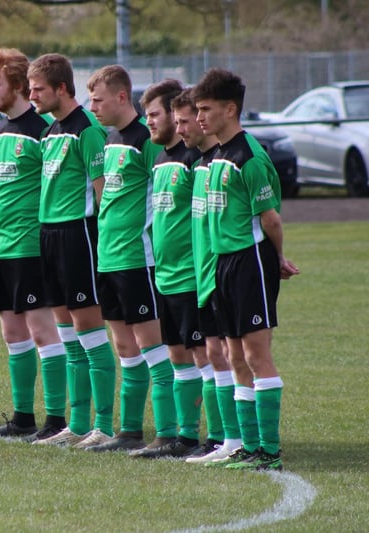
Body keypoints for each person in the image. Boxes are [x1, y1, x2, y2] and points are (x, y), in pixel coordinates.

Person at [193, 68, 298, 470]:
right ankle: (248, 446)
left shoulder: (249, 157)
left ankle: (269, 451)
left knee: (256, 355)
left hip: (250, 261)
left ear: (230, 108)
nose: (200, 117)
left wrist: (277, 258)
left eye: (206, 109)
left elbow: (270, 219)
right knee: (234, 354)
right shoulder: (218, 154)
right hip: (223, 263)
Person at [0, 47, 68, 440]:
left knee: (42, 332)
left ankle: (56, 419)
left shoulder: (41, 131)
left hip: (31, 245)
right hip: (4, 246)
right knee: (12, 333)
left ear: (16, 86)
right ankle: (23, 418)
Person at [27, 54, 115, 449]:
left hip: (78, 235)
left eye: (38, 89)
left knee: (90, 333)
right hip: (49, 236)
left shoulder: (88, 130)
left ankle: (104, 425)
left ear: (61, 88)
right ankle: (77, 424)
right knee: (68, 336)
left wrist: (101, 243)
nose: (31, 96)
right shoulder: (49, 132)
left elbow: (102, 193)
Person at [85, 65, 169, 453]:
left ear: (122, 97)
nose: (92, 107)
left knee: (153, 346)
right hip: (109, 258)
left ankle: (171, 433)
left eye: (98, 100)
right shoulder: (109, 138)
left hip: (139, 258)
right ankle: (130, 431)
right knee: (124, 349)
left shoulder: (147, 141)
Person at [129, 80, 202, 458]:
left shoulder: (194, 160)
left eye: (155, 115)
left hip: (192, 276)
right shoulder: (159, 160)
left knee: (204, 356)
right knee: (175, 356)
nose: (150, 122)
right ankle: (178, 437)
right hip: (164, 274)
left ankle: (213, 438)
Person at [172, 89, 242, 464]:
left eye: (197, 114)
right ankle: (225, 439)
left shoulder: (230, 162)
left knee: (235, 356)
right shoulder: (200, 164)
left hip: (225, 276)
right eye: (187, 117)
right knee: (214, 355)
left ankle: (238, 439)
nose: (192, 123)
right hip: (200, 278)